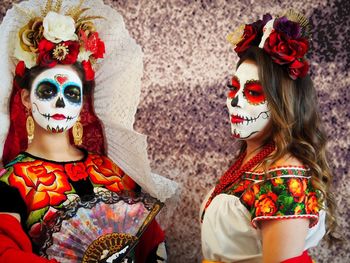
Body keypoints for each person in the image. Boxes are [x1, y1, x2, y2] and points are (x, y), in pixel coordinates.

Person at [0, 0, 177, 262]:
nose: (60, 102)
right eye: (48, 91)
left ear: (83, 101)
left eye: (71, 93)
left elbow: (152, 246)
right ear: (25, 98)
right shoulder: (11, 183)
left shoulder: (112, 173)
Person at [200, 12, 336, 263]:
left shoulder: (285, 177)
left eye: (252, 92)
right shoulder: (253, 156)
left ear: (283, 104)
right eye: (233, 88)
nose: (235, 102)